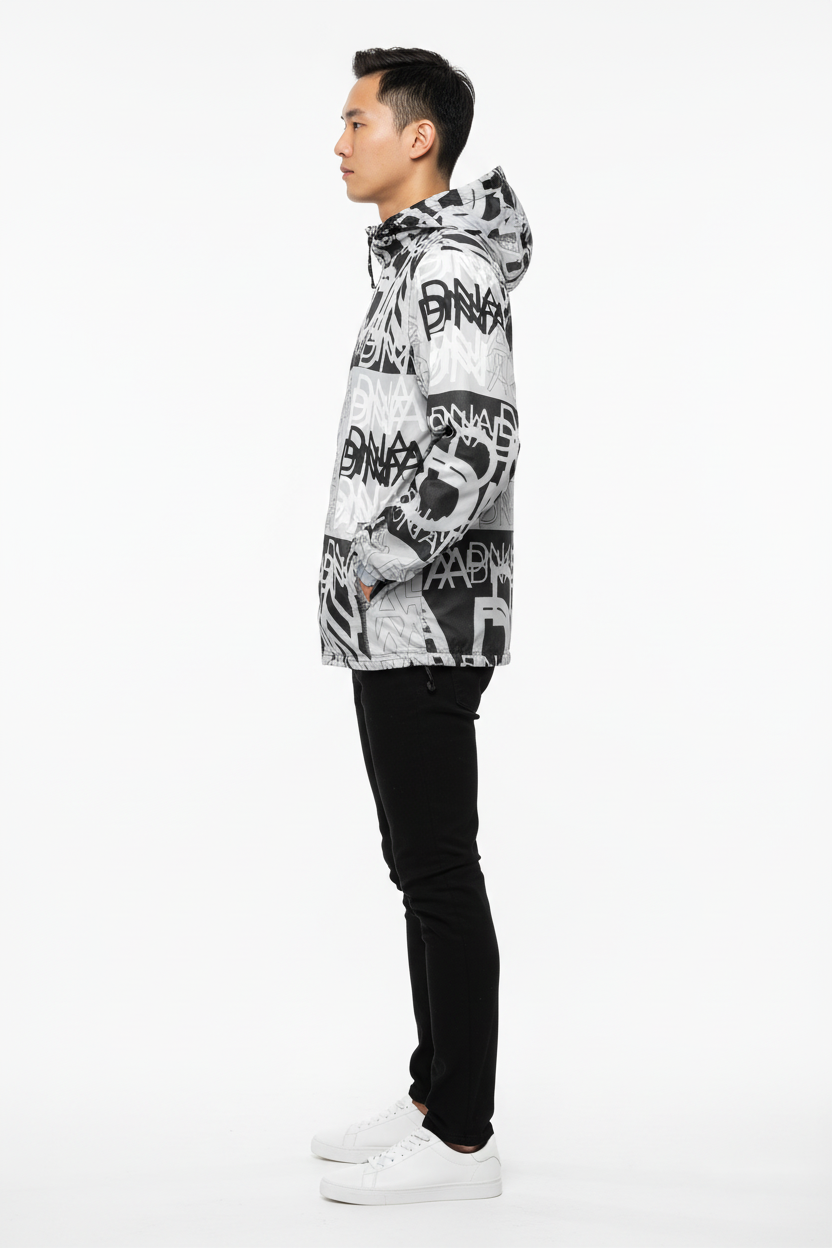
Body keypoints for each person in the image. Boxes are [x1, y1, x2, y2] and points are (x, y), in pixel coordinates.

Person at [312, 46, 532, 1205]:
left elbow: (476, 442)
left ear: (419, 137)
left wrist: (376, 560)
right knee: (420, 869)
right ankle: (430, 1091)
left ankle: (462, 1141)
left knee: (440, 871)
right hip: (399, 622)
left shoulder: (448, 267)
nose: (339, 142)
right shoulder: (415, 264)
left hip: (427, 617)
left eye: (357, 121)